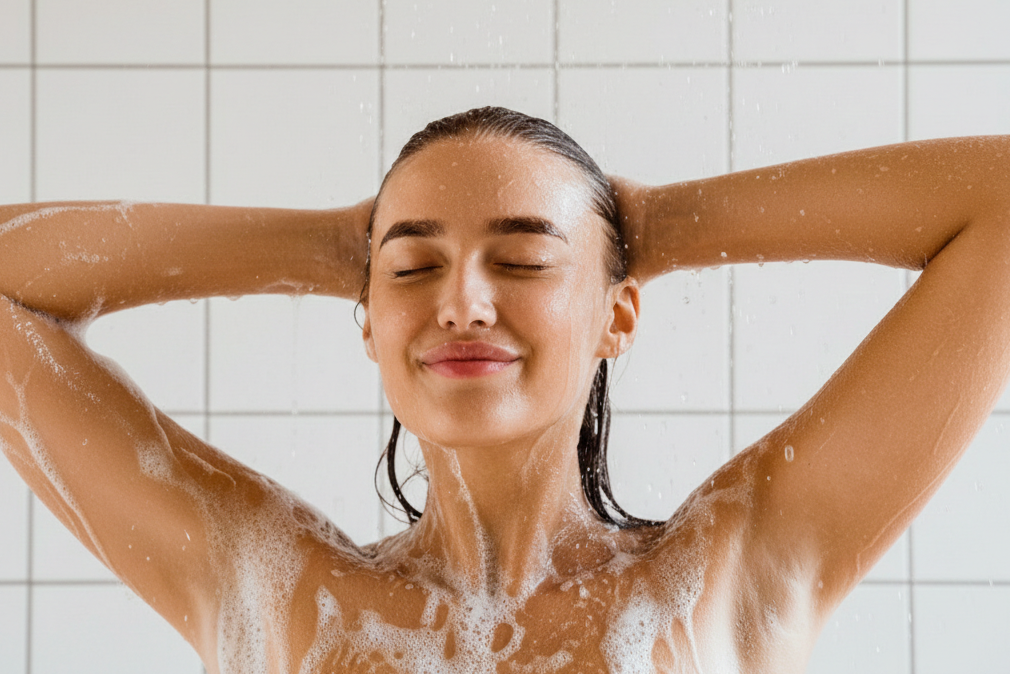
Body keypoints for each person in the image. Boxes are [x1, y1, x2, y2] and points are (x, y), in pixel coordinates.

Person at [0, 106, 1007, 673]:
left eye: (523, 261)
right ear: (366, 318)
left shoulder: (731, 574)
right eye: (413, 270)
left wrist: (641, 224)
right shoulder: (272, 589)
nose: (463, 302)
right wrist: (338, 243)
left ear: (617, 313)